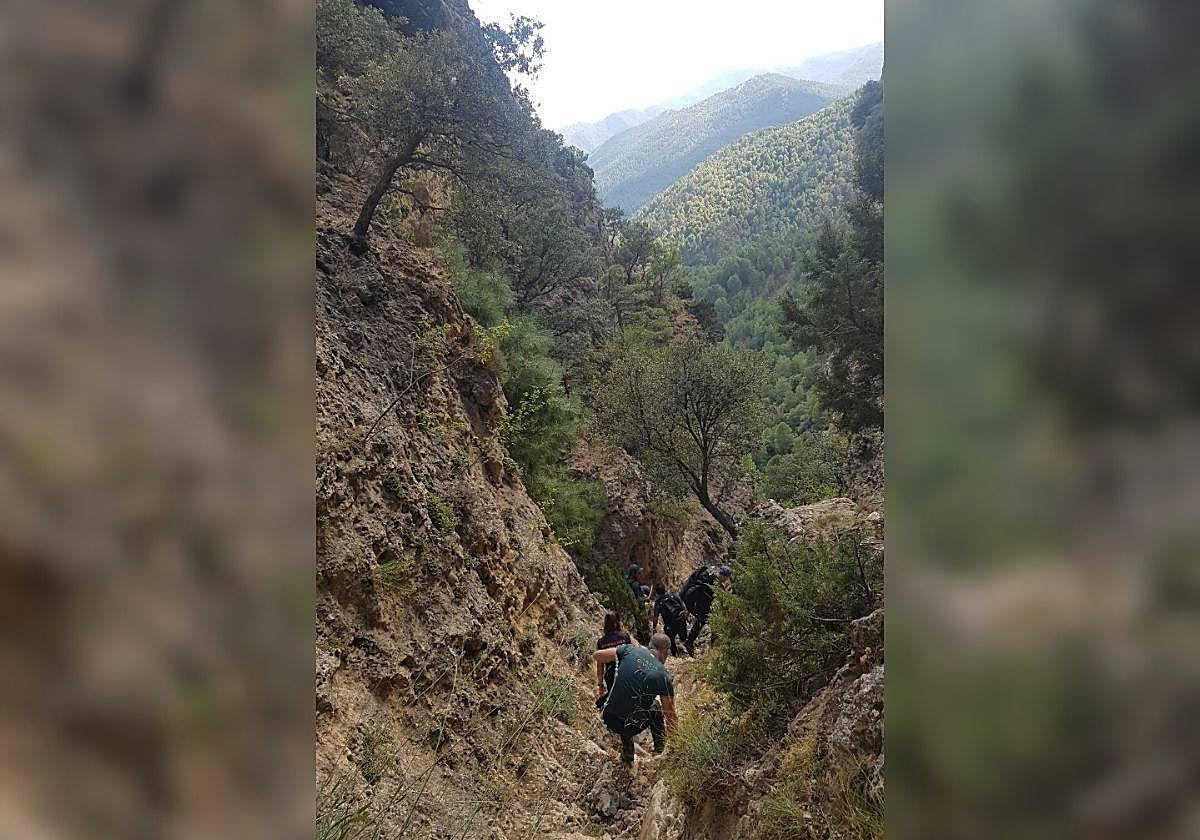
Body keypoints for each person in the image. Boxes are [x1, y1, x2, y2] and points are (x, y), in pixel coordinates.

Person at [593, 634, 677, 765]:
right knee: (655, 707)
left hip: (608, 716)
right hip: (630, 725)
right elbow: (670, 715)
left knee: (626, 702)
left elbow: (597, 655)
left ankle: (628, 754)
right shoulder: (663, 676)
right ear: (665, 650)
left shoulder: (628, 650)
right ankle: (660, 749)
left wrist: (620, 660)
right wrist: (677, 745)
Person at [680, 564, 732, 652]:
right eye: (726, 578)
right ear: (724, 576)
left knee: (699, 620)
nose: (726, 580)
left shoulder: (710, 574)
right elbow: (719, 592)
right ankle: (688, 642)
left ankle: (687, 640)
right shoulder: (714, 581)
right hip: (697, 602)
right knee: (701, 620)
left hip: (693, 600)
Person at [594, 611, 633, 706]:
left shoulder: (601, 642)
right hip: (626, 671)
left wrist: (600, 684)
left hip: (611, 675)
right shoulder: (625, 637)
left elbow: (600, 665)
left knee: (614, 698)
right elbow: (632, 655)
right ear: (617, 623)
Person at [651, 583, 691, 657]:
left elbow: (655, 617)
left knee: (671, 641)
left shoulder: (658, 602)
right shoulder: (674, 596)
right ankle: (689, 654)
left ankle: (675, 656)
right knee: (685, 639)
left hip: (670, 624)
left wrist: (654, 628)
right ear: (665, 589)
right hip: (680, 620)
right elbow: (684, 607)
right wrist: (685, 617)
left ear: (656, 593)